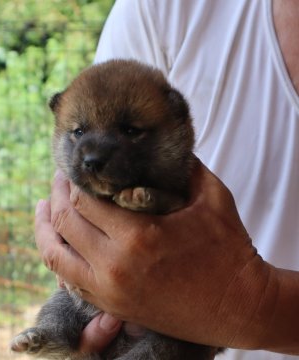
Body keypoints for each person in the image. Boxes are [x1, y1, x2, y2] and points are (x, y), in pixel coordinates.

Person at [35, 0, 299, 359]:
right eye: (79, 133)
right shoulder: (161, 8)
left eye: (130, 130)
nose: (94, 154)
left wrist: (254, 305)